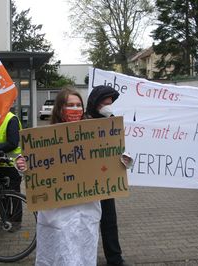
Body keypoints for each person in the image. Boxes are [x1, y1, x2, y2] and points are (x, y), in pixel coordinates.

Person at [34, 88, 102, 265]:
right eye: (70, 105)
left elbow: (111, 159)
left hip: (86, 213)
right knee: (61, 257)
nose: (75, 109)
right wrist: (23, 166)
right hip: (58, 216)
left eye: (79, 105)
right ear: (60, 109)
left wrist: (123, 160)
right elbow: (33, 165)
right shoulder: (44, 138)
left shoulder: (95, 133)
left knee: (84, 256)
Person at [86, 85, 126, 266]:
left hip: (105, 181)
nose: (108, 106)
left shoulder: (112, 123)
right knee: (87, 224)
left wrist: (124, 159)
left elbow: (118, 149)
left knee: (109, 222)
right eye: (104, 103)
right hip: (84, 183)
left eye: (110, 103)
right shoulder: (82, 122)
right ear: (95, 103)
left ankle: (115, 259)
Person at [0, 110, 23, 232]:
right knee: (1, 194)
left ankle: (16, 221)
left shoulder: (11, 119)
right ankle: (5, 219)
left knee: (14, 194)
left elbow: (12, 143)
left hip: (11, 164)